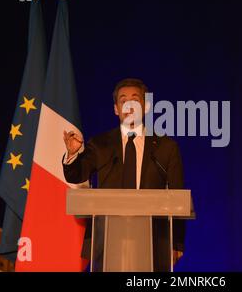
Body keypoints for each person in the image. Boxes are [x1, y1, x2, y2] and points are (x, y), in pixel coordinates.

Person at [62, 78, 185, 272]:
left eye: (135, 99)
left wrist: (176, 243)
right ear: (116, 109)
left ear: (145, 106)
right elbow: (76, 175)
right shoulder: (100, 144)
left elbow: (179, 200)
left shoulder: (166, 147)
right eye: (123, 100)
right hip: (108, 239)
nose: (129, 105)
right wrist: (72, 154)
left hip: (153, 239)